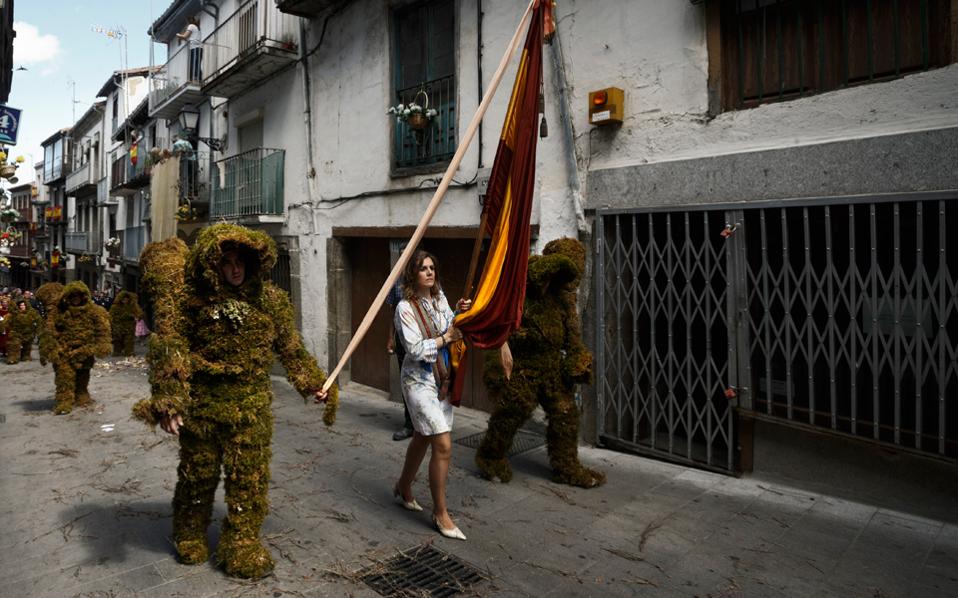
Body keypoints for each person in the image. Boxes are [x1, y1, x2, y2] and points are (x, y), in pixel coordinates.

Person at [131, 225, 338, 579]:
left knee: (249, 480)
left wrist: (313, 383)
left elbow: (290, 348)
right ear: (213, 266)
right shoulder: (191, 302)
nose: (236, 270)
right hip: (203, 407)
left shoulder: (270, 302)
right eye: (226, 263)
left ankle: (242, 542)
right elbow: (171, 348)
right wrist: (169, 401)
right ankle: (190, 531)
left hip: (252, 407)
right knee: (197, 476)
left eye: (241, 261)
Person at [476, 238, 605, 488]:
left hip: (553, 367)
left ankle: (566, 467)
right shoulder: (526, 286)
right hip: (523, 366)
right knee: (512, 412)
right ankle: (490, 457)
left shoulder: (566, 302)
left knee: (566, 413)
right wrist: (496, 367)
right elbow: (499, 328)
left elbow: (572, 338)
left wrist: (579, 360)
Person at [391, 250, 471, 540]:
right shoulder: (404, 308)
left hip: (441, 379)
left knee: (422, 437)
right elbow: (414, 349)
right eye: (422, 268)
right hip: (417, 381)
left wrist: (459, 313)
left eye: (432, 267)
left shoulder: (439, 299)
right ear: (413, 274)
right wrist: (445, 338)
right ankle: (440, 512)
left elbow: (451, 324)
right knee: (443, 443)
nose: (429, 272)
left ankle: (403, 485)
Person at [49, 282, 112, 414]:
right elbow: (49, 330)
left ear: (84, 296)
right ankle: (64, 401)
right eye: (72, 296)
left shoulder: (95, 311)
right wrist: (50, 347)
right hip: (64, 350)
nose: (75, 299)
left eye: (78, 296)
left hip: (85, 350)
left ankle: (81, 393)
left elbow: (102, 329)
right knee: (64, 376)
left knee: (83, 375)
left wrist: (103, 345)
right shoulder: (60, 312)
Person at [386, 280, 414, 440]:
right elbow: (393, 312)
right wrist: (390, 337)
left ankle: (429, 426)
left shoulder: (427, 282)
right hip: (404, 343)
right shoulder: (397, 284)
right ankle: (410, 424)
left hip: (426, 343)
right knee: (407, 383)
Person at [4, 297, 41, 364]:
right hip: (16, 333)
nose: (22, 306)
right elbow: (6, 322)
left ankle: (25, 356)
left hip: (28, 333)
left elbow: (39, 321)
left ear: (26, 305)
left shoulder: (32, 312)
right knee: (14, 344)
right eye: (20, 305)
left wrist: (40, 329)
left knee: (27, 346)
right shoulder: (13, 314)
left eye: (23, 305)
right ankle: (13, 358)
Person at [109, 290, 143, 356]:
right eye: (123, 299)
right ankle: (117, 351)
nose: (125, 300)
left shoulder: (133, 306)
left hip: (129, 326)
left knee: (129, 340)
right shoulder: (115, 307)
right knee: (117, 340)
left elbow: (139, 314)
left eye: (126, 299)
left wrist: (136, 317)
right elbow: (111, 315)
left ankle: (129, 352)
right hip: (118, 325)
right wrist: (113, 322)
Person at [177, 17, 203, 82]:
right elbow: (190, 38)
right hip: (200, 48)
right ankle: (199, 79)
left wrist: (178, 35)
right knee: (197, 64)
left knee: (193, 64)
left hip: (194, 48)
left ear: (189, 21)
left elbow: (185, 36)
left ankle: (192, 79)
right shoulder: (198, 28)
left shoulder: (191, 26)